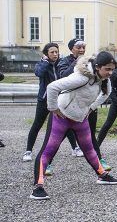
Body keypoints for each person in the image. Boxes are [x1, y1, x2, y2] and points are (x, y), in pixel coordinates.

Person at [30, 52, 117, 200]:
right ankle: (37, 187)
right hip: (62, 117)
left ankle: (102, 175)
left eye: (112, 69)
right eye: (107, 69)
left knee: (89, 149)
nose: (110, 73)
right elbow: (52, 87)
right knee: (48, 151)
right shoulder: (81, 77)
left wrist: (90, 108)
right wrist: (53, 108)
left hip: (80, 118)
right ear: (97, 67)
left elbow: (106, 93)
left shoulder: (104, 79)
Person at [23, 43, 79, 171]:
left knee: (66, 124)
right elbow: (39, 73)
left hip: (60, 100)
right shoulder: (42, 64)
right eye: (52, 52)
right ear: (46, 54)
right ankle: (28, 151)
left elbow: (68, 75)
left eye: (56, 52)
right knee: (37, 124)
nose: (55, 54)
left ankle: (75, 148)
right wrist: (45, 62)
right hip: (44, 99)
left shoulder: (61, 63)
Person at [57, 38, 110, 170]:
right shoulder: (65, 61)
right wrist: (76, 63)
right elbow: (62, 76)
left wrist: (92, 106)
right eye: (78, 47)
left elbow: (104, 87)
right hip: (68, 106)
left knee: (90, 134)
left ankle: (99, 160)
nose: (82, 50)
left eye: (83, 47)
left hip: (87, 106)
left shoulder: (90, 63)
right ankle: (48, 162)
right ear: (71, 49)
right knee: (58, 136)